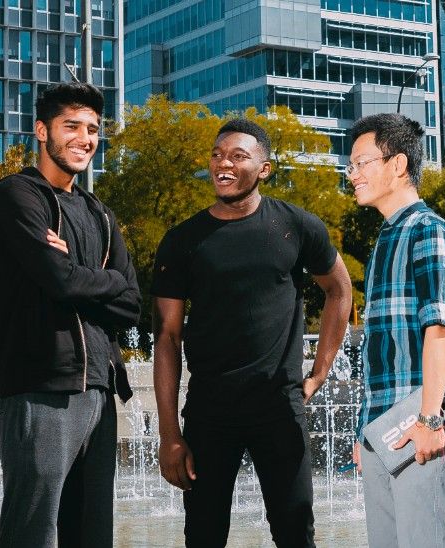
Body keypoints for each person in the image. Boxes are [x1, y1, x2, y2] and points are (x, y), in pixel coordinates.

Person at [152, 118, 352, 547]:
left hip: (279, 408)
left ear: (264, 168)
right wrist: (170, 435)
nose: (223, 163)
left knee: (296, 533)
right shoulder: (183, 240)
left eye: (238, 156)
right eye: (217, 155)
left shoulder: (296, 226)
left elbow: (340, 288)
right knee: (203, 536)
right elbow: (166, 338)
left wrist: (318, 373)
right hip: (209, 411)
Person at [0, 81, 141, 548]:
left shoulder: (100, 214)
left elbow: (132, 301)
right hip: (42, 386)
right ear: (41, 130)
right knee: (34, 533)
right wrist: (90, 275)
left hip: (99, 388)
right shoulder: (18, 195)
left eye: (92, 129)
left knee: (93, 535)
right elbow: (59, 281)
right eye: (71, 126)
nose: (84, 138)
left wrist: (75, 268)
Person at [346, 113, 445, 547]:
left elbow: (439, 331)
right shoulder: (385, 238)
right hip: (383, 430)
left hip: (419, 426)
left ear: (398, 164)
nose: (353, 175)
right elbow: (380, 349)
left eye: (362, 163)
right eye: (351, 166)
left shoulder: (428, 231)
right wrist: (366, 434)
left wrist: (429, 420)